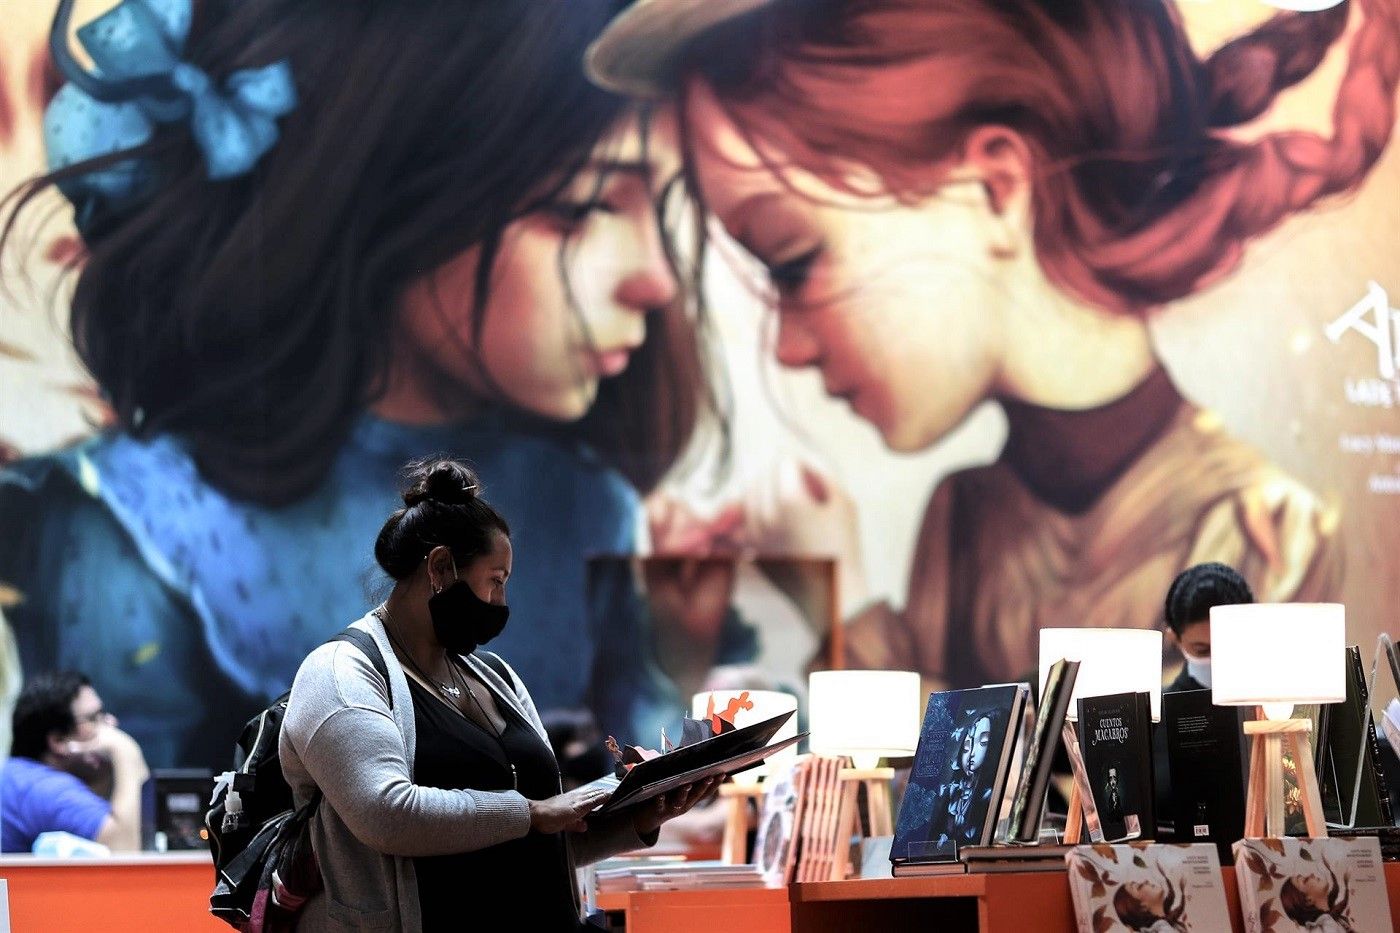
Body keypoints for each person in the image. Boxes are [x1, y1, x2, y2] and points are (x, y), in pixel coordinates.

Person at [0, 0, 741, 768]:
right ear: (389, 191)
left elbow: (630, 779)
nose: (656, 279)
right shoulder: (126, 525)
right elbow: (114, 854)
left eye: (663, 209)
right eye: (580, 208)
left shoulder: (588, 501)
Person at [586, 0, 1400, 689]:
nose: (789, 348)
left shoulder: (1263, 534)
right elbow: (898, 810)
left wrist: (852, 592)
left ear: (995, 186)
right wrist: (801, 581)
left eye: (793, 261)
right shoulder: (968, 511)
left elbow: (1142, 817)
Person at [280, 459, 716, 931]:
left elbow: (544, 834)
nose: (500, 603)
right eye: (496, 580)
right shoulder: (340, 673)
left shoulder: (496, 678)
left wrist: (640, 818)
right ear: (441, 568)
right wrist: (530, 813)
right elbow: (387, 813)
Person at [1, 671, 149, 853]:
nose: (110, 723)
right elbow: (124, 852)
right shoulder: (44, 787)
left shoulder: (20, 777)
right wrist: (126, 753)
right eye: (94, 718)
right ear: (58, 741)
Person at [1163, 562, 1255, 692]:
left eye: (1228, 648)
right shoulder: (1159, 710)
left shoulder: (1277, 703)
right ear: (1175, 639)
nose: (1217, 661)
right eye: (1203, 650)